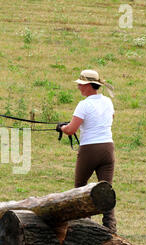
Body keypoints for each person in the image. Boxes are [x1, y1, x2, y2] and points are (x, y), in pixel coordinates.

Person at [57, 70, 117, 232]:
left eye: (81, 84)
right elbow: (109, 119)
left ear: (89, 86)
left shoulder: (84, 105)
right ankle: (110, 227)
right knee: (106, 189)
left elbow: (71, 129)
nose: (78, 87)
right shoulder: (107, 102)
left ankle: (84, 225)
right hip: (108, 148)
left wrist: (62, 127)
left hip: (90, 149)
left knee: (80, 187)